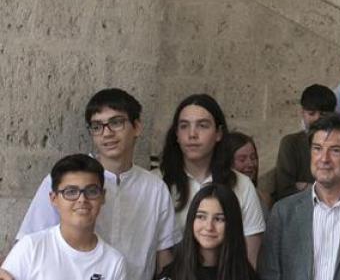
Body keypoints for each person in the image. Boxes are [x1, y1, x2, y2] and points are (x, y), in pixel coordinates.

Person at [16, 89, 177, 280]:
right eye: (97, 126)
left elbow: (164, 257)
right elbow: (26, 248)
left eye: (116, 122)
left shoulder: (155, 188)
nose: (107, 133)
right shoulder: (63, 180)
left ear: (136, 127)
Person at [259, 114, 340, 280]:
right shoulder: (283, 212)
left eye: (335, 150)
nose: (324, 159)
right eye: (317, 149)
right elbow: (270, 274)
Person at [159, 94, 265, 267]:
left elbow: (248, 259)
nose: (192, 134)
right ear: (176, 134)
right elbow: (160, 254)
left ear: (218, 133)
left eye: (202, 125)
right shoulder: (158, 183)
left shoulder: (242, 184)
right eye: (184, 126)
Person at [2, 155, 127, 280]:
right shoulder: (31, 248)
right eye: (71, 192)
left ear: (103, 196)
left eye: (91, 191)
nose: (82, 199)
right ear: (54, 199)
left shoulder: (114, 262)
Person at [157, 184, 259, 280]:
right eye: (201, 217)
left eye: (219, 219)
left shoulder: (246, 275)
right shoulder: (172, 275)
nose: (209, 227)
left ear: (232, 224)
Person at [274, 84, 336, 200]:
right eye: (311, 113)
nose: (317, 118)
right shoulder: (291, 143)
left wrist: (306, 187)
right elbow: (284, 189)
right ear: (302, 112)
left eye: (323, 114)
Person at [225, 132, 272, 221]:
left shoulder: (264, 198)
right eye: (242, 159)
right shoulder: (220, 197)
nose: (250, 164)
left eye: (253, 158)